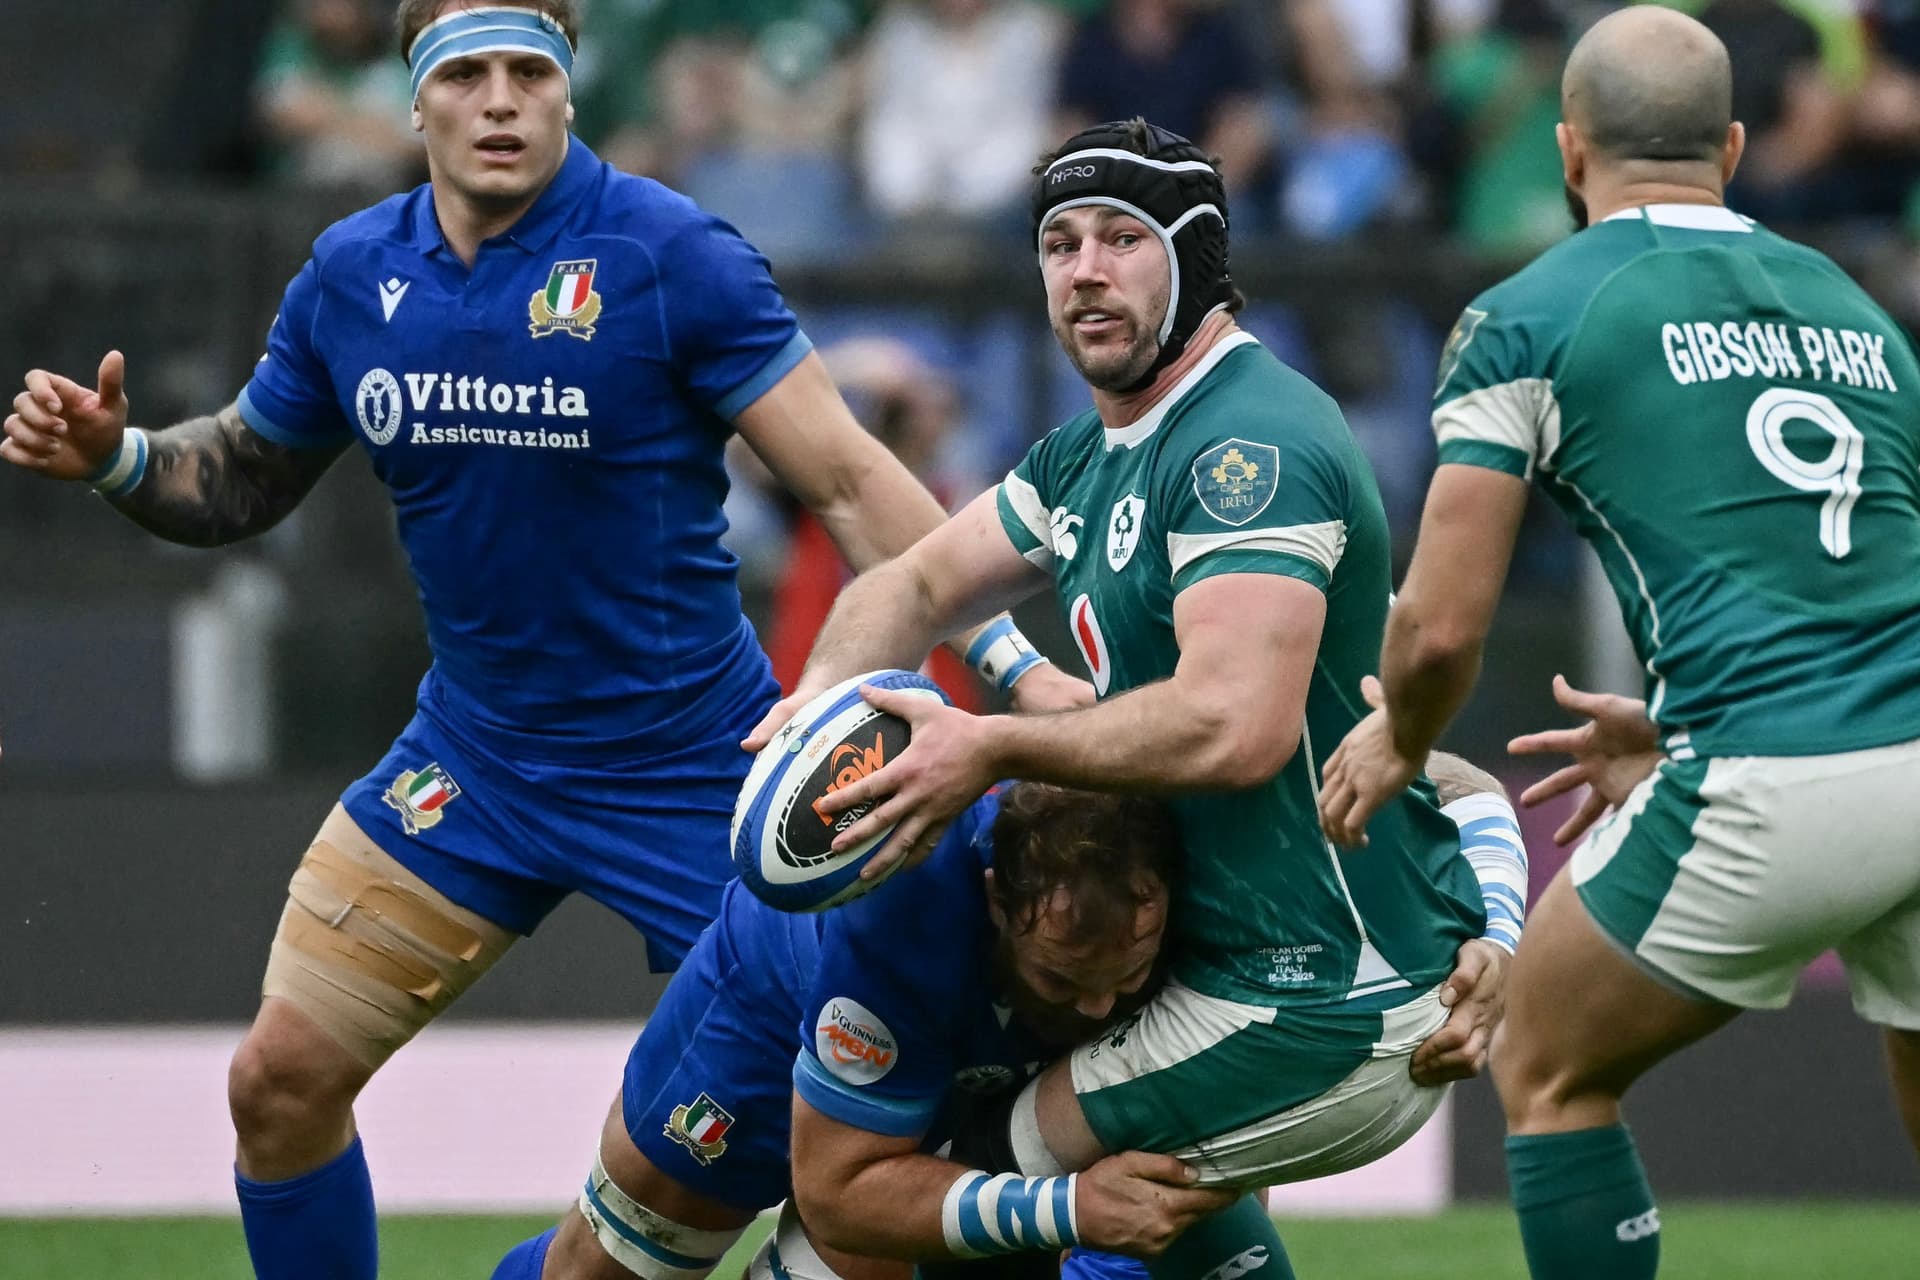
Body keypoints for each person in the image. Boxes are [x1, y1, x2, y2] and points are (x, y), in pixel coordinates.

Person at [0, 5, 1073, 1279]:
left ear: (571, 93)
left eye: (529, 72)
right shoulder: (350, 274)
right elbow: (239, 474)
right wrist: (117, 457)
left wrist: (1010, 668)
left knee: (821, 1147)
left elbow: (848, 480)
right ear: (416, 101)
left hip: (699, 768)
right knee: (277, 1082)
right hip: (477, 761)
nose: (499, 99)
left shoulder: (671, 254)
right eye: (466, 73)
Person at [744, 118, 1516, 1280]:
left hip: (1309, 1001)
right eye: (1059, 242)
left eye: (1122, 238)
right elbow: (911, 580)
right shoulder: (1084, 456)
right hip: (1248, 976)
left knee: (920, 1192)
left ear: (1198, 259)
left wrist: (993, 744)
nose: (1084, 270)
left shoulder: (1244, 445)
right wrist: (815, 702)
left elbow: (1236, 723)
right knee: (981, 1201)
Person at [1314, 9, 1920, 1279]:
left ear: (1569, 151)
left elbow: (1435, 627)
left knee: (1541, 1054)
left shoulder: (1529, 312)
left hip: (1774, 772)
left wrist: (1397, 735)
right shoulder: (1857, 309)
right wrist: (1680, 716)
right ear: (1738, 147)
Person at [494, 781, 1231, 1280]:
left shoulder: (1208, 901)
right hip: (768, 1018)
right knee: (597, 1269)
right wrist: (1073, 1208)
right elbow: (840, 1196)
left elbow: (1226, 1131)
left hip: (978, 1063)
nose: (1098, 1011)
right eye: (1063, 982)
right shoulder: (905, 900)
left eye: (1128, 980)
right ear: (996, 902)